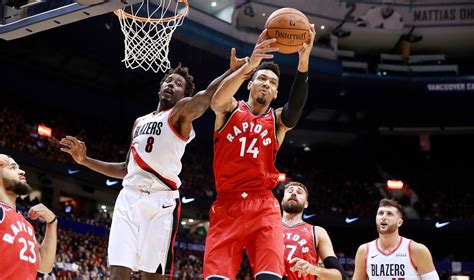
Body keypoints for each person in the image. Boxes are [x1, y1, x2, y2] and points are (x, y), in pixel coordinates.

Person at [59, 52, 247, 280]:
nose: (171, 85)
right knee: (118, 272)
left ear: (184, 96)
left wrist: (234, 71)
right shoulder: (140, 122)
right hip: (129, 197)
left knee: (152, 276)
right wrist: (85, 161)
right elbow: (125, 169)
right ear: (160, 87)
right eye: (168, 81)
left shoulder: (180, 114)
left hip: (162, 202)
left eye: (178, 84)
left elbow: (207, 96)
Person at [204, 25, 315, 280]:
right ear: (250, 84)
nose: (267, 83)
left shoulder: (276, 121)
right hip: (226, 204)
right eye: (262, 78)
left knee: (270, 277)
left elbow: (295, 109)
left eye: (273, 82)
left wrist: (303, 62)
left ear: (276, 93)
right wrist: (248, 66)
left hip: (263, 205)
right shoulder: (230, 109)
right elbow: (215, 101)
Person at [0, 154, 57, 280]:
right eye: (13, 167)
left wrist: (52, 223)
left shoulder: (26, 224)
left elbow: (44, 266)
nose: (22, 171)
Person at [353, 199, 439, 280]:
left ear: (399, 222)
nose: (383, 217)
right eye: (380, 213)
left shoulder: (417, 250)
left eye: (389, 214)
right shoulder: (364, 251)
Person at [281, 182, 346, 280]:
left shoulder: (317, 232)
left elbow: (339, 276)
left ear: (306, 204)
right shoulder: (268, 228)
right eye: (290, 191)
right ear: (282, 200)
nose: (293, 193)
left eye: (299, 192)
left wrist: (313, 269)